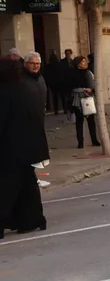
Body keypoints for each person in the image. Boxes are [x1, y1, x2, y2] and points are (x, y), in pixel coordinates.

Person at [0, 56, 49, 237]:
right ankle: (32, 219)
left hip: (12, 149)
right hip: (28, 146)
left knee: (6, 188)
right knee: (27, 185)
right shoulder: (24, 87)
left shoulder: (6, 91)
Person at [69, 56, 100, 149]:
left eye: (85, 61)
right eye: (82, 62)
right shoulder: (73, 74)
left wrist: (91, 90)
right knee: (79, 121)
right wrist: (83, 89)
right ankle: (80, 142)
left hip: (88, 99)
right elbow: (72, 87)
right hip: (78, 100)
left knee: (91, 121)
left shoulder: (88, 73)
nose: (85, 63)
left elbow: (93, 85)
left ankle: (94, 140)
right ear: (78, 64)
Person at [58, 49, 75, 120]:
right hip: (64, 82)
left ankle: (71, 109)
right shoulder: (62, 62)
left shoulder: (73, 62)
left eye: (69, 53)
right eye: (66, 53)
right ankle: (66, 108)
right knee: (65, 96)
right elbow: (60, 72)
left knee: (71, 97)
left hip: (72, 82)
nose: (67, 55)